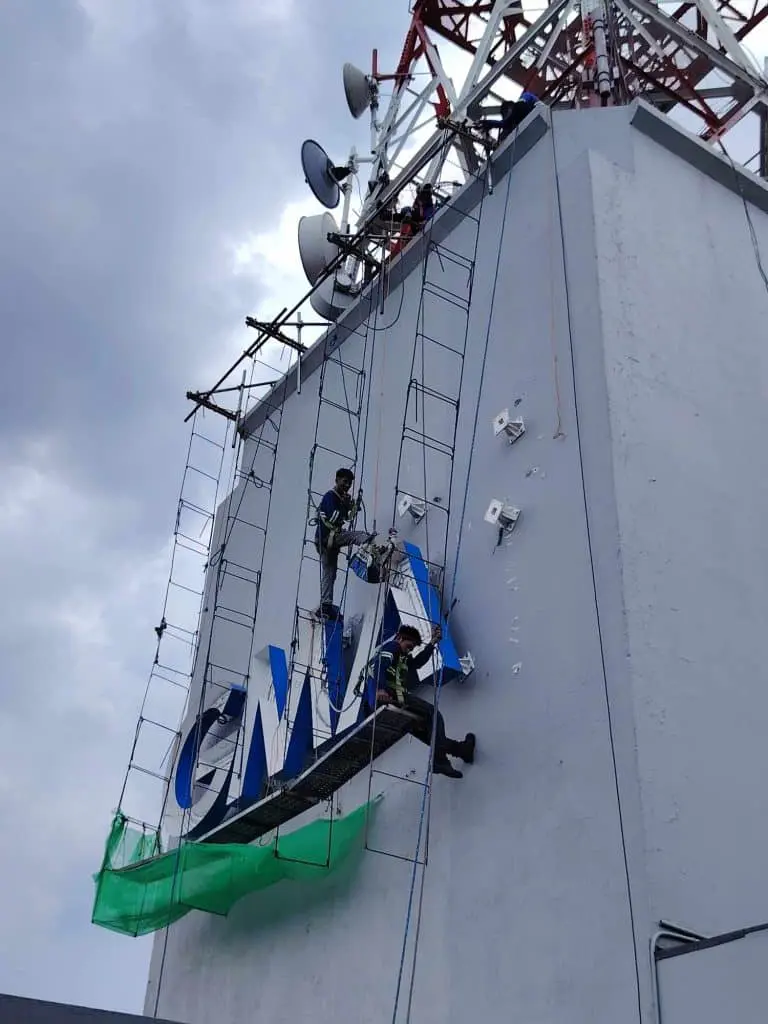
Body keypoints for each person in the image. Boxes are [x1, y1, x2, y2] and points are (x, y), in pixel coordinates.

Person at [360, 623, 476, 779]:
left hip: (387, 704)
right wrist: (380, 689)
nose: (409, 650)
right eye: (409, 646)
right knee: (434, 714)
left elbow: (416, 663)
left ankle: (461, 751)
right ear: (400, 638)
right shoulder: (392, 648)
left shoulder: (401, 656)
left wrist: (432, 643)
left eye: (412, 649)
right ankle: (440, 761)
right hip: (390, 697)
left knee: (429, 734)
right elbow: (379, 665)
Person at [314, 468, 373, 616]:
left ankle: (325, 606)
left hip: (328, 541)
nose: (347, 485)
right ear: (337, 480)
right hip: (328, 539)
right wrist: (344, 505)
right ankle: (369, 548)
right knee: (357, 535)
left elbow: (348, 517)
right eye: (344, 481)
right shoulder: (330, 497)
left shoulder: (340, 498)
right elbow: (334, 518)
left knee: (330, 573)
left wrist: (351, 507)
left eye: (349, 483)